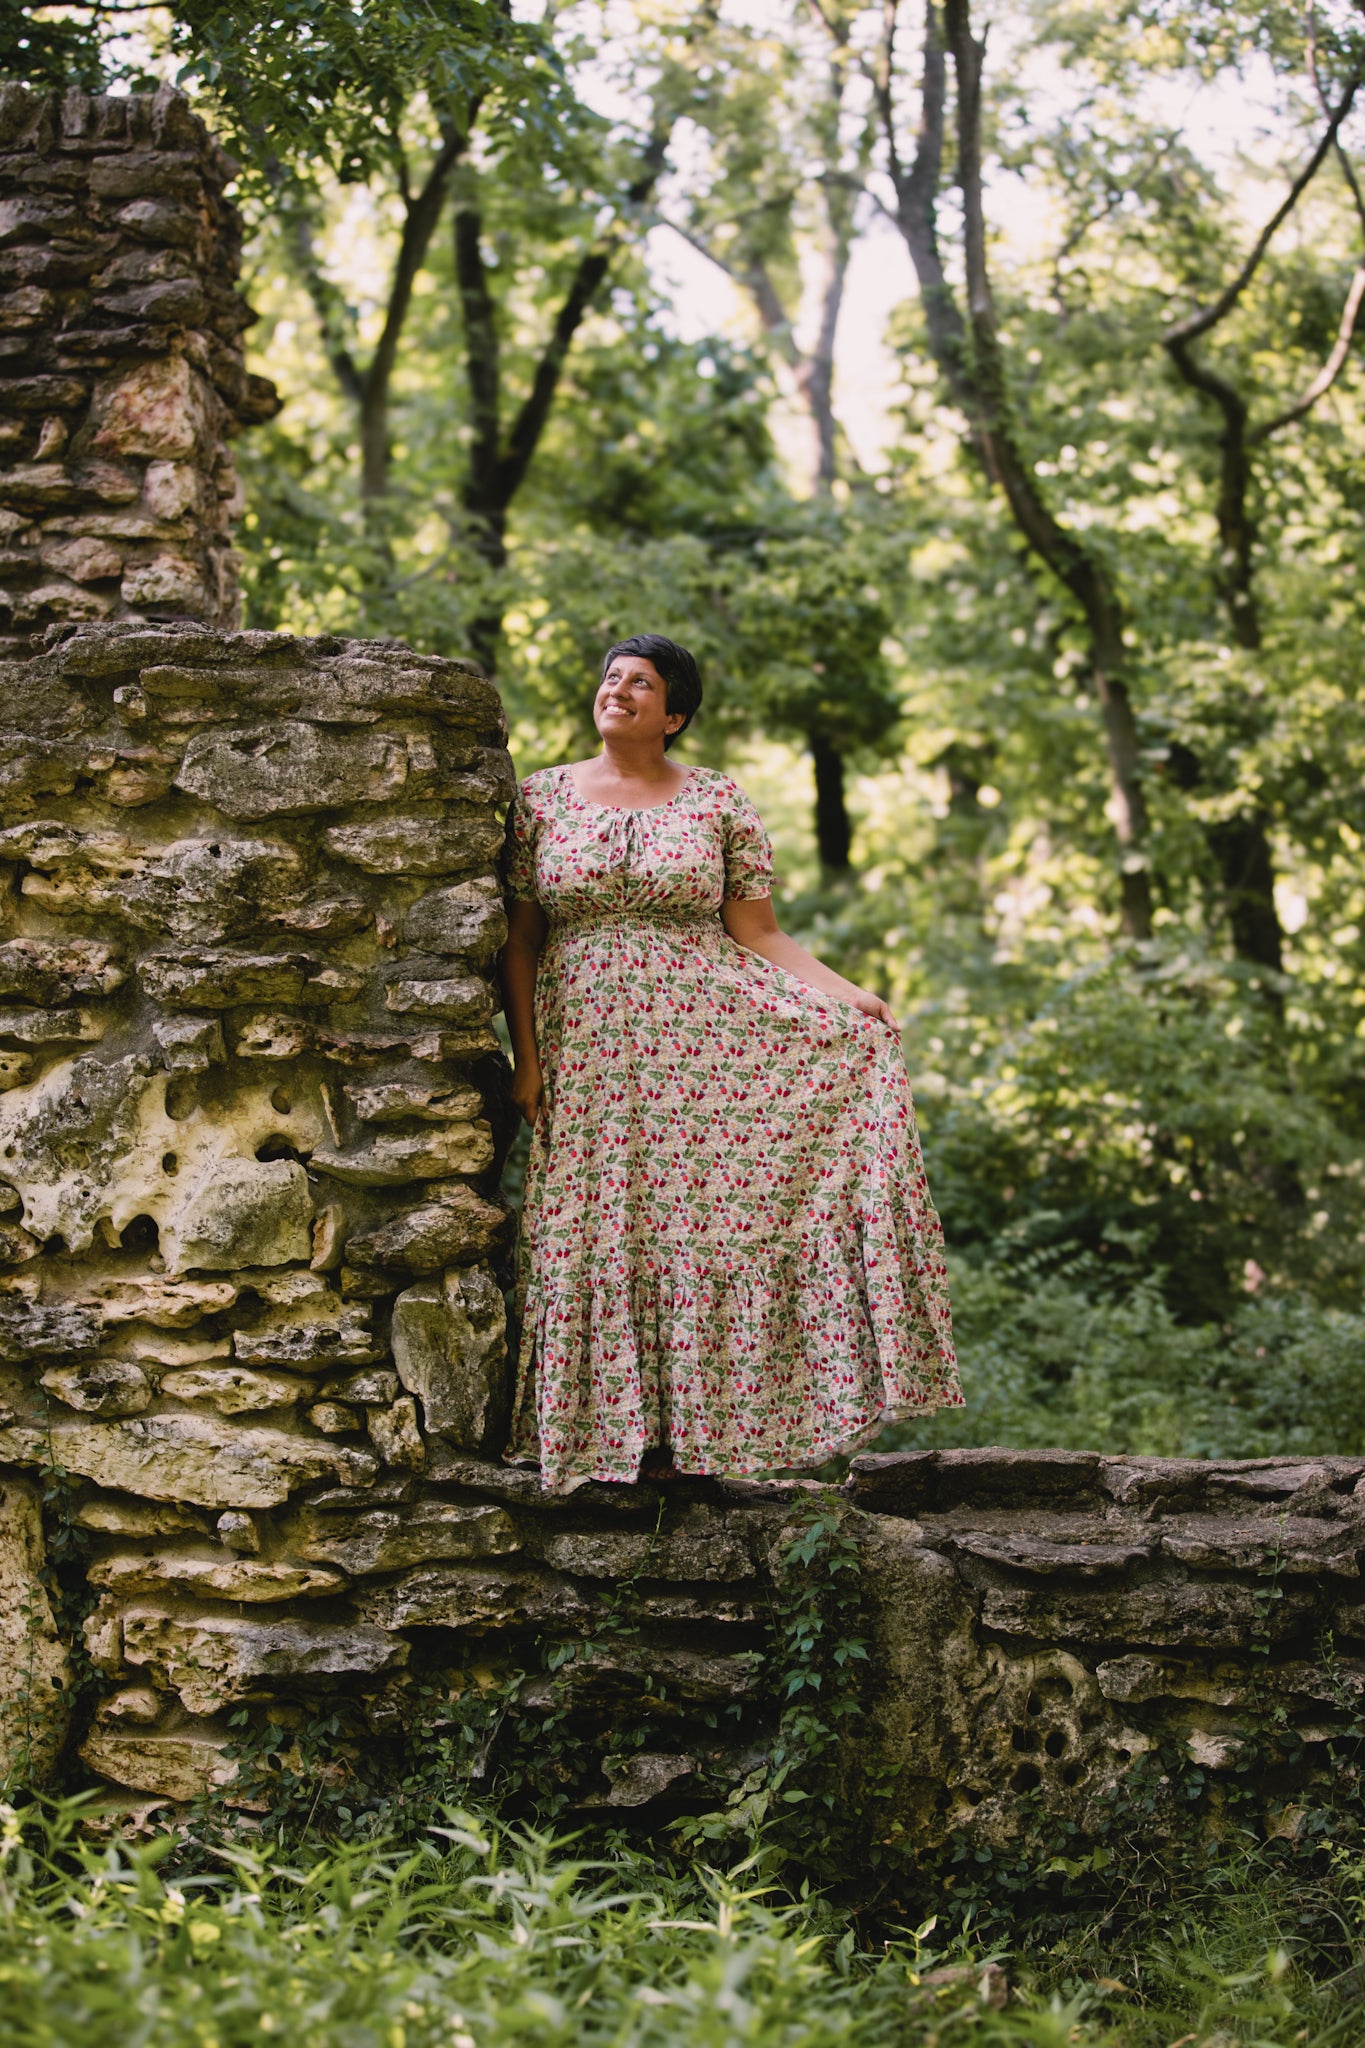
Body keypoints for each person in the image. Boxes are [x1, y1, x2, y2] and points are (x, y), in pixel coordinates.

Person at [499, 633, 961, 1492]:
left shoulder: (716, 801)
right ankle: (601, 1444)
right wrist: (526, 1060)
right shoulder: (539, 800)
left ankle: (693, 1443)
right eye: (611, 677)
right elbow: (522, 941)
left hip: (700, 1043)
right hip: (589, 1049)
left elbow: (758, 933)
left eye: (642, 683)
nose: (619, 689)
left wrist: (846, 996)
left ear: (672, 715)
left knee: (697, 1226)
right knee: (592, 1224)